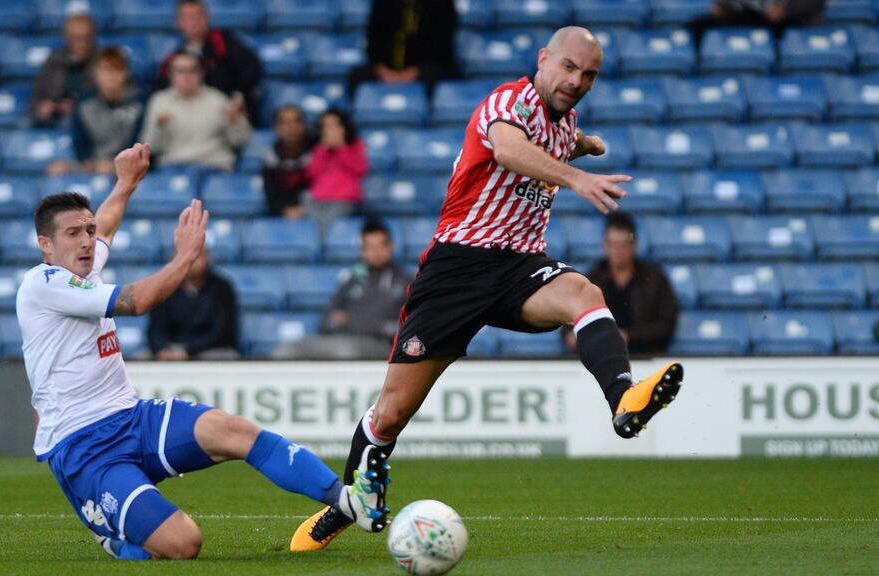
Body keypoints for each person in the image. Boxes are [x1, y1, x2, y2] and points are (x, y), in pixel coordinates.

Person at [290, 26, 685, 552]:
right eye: (568, 68)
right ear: (543, 59)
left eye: (589, 75)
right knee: (391, 413)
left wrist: (586, 145)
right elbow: (507, 149)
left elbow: (566, 138)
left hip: (519, 266)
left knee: (585, 296)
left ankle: (624, 401)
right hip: (456, 270)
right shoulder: (508, 100)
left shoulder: (566, 125)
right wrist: (576, 175)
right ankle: (349, 500)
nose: (577, 81)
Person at [16, 143, 390, 561]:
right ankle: (116, 537)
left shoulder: (84, 269)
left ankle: (349, 501)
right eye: (73, 234)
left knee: (234, 430)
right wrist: (187, 255)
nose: (87, 241)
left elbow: (105, 224)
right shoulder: (43, 284)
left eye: (86, 231)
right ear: (45, 245)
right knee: (183, 544)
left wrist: (124, 183)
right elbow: (137, 301)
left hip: (131, 417)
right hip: (86, 449)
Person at [273, 220, 413, 360]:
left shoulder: (404, 281)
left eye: (380, 246)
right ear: (362, 251)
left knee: (344, 351)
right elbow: (327, 319)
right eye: (369, 247)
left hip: (379, 344)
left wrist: (353, 321)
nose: (375, 252)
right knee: (287, 350)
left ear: (391, 247)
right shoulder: (353, 279)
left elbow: (401, 328)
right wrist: (340, 322)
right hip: (340, 338)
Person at [565, 212, 678, 355]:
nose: (616, 251)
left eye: (623, 245)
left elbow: (667, 324)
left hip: (645, 357)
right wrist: (572, 336)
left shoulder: (654, 278)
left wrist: (628, 336)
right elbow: (569, 319)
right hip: (601, 359)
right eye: (612, 244)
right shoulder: (593, 278)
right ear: (604, 245)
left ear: (634, 245)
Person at [140, 52, 251, 171]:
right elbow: (150, 147)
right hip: (173, 166)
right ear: (170, 74)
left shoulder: (218, 100)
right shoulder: (159, 101)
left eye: (193, 70)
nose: (187, 76)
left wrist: (236, 121)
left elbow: (240, 141)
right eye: (180, 71)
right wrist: (158, 126)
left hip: (213, 165)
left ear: (202, 73)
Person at [155, 0, 262, 122]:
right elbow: (162, 86)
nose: (194, 22)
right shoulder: (175, 57)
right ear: (178, 22)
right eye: (189, 17)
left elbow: (251, 69)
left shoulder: (223, 42)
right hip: (190, 116)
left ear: (208, 18)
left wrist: (239, 96)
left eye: (199, 15)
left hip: (226, 112)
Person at [50, 47, 144, 175]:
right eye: (105, 70)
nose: (111, 76)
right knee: (57, 169)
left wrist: (115, 164)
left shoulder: (141, 102)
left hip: (130, 165)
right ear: (95, 74)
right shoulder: (84, 104)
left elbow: (141, 142)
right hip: (95, 163)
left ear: (126, 73)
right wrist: (88, 161)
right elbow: (80, 141)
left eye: (117, 70)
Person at [348, 0, 459, 96]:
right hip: (386, 70)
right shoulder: (383, 3)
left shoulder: (441, 4)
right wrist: (382, 70)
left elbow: (442, 46)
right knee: (357, 77)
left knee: (437, 78)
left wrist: (414, 72)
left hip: (424, 70)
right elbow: (373, 39)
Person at [147, 247, 240, 360]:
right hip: (171, 348)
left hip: (208, 349)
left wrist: (188, 350)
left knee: (227, 355)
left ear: (208, 258)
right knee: (141, 358)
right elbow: (155, 330)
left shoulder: (222, 288)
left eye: (196, 256)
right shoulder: (163, 288)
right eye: (183, 256)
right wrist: (161, 349)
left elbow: (221, 333)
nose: (191, 261)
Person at [305, 109, 369, 234]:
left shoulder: (356, 145)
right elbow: (312, 173)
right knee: (308, 217)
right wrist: (323, 150)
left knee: (329, 221)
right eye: (327, 127)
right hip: (318, 200)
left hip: (344, 200)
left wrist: (342, 148)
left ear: (344, 128)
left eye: (335, 126)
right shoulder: (318, 148)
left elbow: (360, 169)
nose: (331, 131)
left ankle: (324, 248)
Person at [29, 12, 97, 128]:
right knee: (25, 124)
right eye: (77, 38)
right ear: (67, 37)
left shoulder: (101, 62)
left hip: (84, 119)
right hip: (52, 116)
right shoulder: (53, 61)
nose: (83, 43)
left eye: (87, 37)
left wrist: (77, 107)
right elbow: (36, 96)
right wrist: (43, 107)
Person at [689, 0, 825, 43]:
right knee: (697, 26)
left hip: (788, 23)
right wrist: (723, 4)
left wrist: (786, 11)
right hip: (749, 16)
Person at [261, 105, 312, 219]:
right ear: (276, 127)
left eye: (295, 122)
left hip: (313, 213)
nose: (290, 127)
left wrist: (305, 209)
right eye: (285, 122)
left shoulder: (317, 153)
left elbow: (321, 188)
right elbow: (271, 195)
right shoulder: (270, 157)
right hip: (281, 216)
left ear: (303, 126)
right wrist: (284, 210)